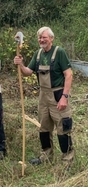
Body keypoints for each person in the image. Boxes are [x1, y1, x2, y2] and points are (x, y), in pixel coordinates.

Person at [14, 26, 74, 166]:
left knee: (63, 128)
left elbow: (68, 74)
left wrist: (64, 96)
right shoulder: (38, 54)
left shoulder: (59, 52)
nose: (41, 40)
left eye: (44, 37)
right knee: (44, 128)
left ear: (51, 38)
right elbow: (28, 71)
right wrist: (21, 65)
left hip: (58, 94)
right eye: (40, 37)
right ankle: (46, 156)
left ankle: (67, 161)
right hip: (43, 96)